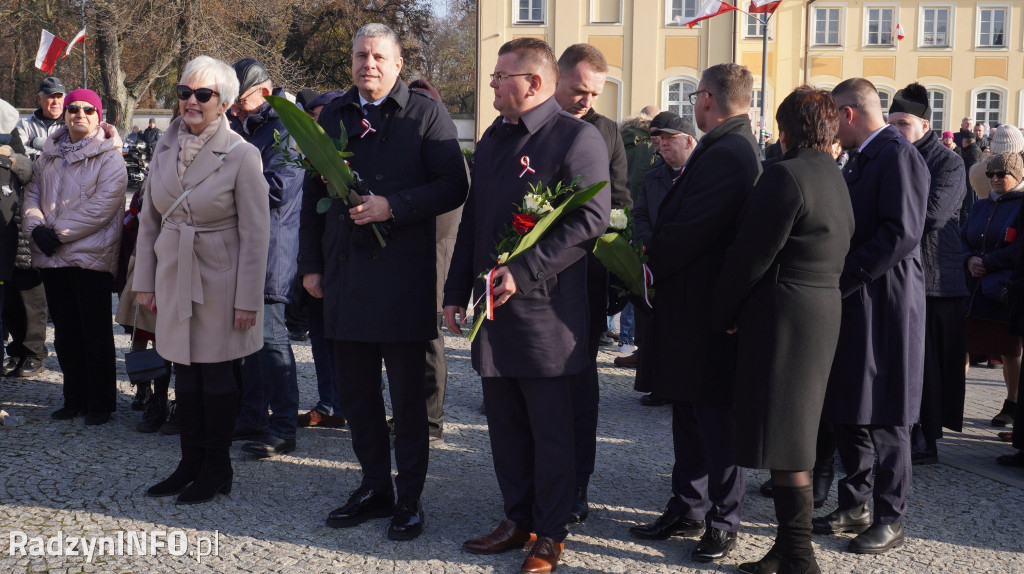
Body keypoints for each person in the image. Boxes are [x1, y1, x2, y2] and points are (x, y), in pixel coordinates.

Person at [444, 37, 609, 573]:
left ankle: (550, 532)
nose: (491, 84)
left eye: (500, 76)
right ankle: (516, 518)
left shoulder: (576, 138)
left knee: (550, 429)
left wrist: (523, 270)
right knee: (506, 424)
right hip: (494, 311)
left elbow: (590, 221)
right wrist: (453, 294)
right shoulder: (494, 137)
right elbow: (473, 221)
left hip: (546, 317)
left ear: (533, 83)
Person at [299, 23, 468, 541]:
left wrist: (394, 206)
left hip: (402, 278)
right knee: (356, 395)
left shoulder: (425, 113)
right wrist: (311, 265)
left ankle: (410, 496)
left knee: (407, 398)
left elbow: (454, 185)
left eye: (377, 56)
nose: (367, 64)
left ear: (397, 64)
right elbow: (311, 197)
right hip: (346, 275)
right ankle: (375, 486)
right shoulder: (333, 117)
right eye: (359, 56)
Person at [711, 85, 854, 574]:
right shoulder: (834, 175)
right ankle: (789, 549)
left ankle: (799, 555)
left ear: (786, 128)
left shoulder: (785, 176)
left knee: (788, 435)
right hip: (820, 310)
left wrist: (723, 312)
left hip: (784, 313)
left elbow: (750, 255)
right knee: (795, 432)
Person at [630, 63, 760, 564]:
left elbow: (693, 230)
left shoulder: (730, 151)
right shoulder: (722, 147)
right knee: (686, 410)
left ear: (706, 98)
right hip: (687, 309)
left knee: (715, 418)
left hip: (708, 310)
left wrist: (652, 256)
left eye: (694, 97)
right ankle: (687, 503)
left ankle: (723, 519)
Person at [134, 56, 270, 504]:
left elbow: (256, 234)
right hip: (174, 273)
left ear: (225, 103)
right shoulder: (163, 147)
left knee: (217, 378)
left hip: (222, 278)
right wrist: (145, 282)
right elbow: (150, 222)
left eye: (203, 94)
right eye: (184, 92)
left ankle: (217, 466)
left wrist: (248, 298)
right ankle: (189, 461)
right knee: (184, 377)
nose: (190, 101)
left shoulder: (243, 154)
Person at [812, 78, 929, 555]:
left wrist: (848, 273)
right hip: (860, 298)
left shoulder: (897, 155)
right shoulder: (864, 156)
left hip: (886, 300)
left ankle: (890, 516)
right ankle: (855, 502)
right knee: (851, 403)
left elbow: (903, 232)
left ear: (848, 114)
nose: (832, 132)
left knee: (886, 411)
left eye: (833, 120)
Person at [553, 42, 630, 524]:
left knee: (580, 390)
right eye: (580, 90)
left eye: (595, 93)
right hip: (527, 279)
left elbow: (620, 202)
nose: (587, 101)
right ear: (556, 79)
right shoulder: (525, 126)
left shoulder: (607, 133)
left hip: (584, 282)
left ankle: (578, 485)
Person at [21, 88, 126, 425]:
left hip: (90, 257)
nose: (80, 115)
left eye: (87, 110)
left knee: (94, 332)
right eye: (73, 109)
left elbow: (104, 204)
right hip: (53, 256)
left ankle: (100, 403)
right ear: (64, 114)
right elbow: (32, 194)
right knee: (65, 332)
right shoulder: (49, 155)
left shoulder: (110, 156)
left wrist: (57, 233)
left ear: (99, 116)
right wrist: (36, 227)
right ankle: (74, 397)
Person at [227, 57, 305, 459]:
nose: (235, 108)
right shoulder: (241, 125)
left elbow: (277, 189)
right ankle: (252, 415)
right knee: (247, 341)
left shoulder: (286, 128)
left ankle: (283, 425)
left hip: (271, 248)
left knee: (272, 341)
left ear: (267, 90)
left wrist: (225, 186)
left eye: (241, 100)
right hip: (242, 246)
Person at [886, 84, 969, 465]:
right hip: (903, 272)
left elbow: (933, 216)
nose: (895, 129)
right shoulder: (889, 154)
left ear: (923, 124)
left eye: (903, 123)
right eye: (891, 123)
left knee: (932, 362)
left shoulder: (948, 162)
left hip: (938, 278)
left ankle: (927, 438)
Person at [630, 111, 696, 406]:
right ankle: (658, 385)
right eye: (661, 140)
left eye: (671, 139)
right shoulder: (653, 176)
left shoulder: (700, 174)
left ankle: (681, 387)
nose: (663, 145)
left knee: (683, 331)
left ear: (689, 142)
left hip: (687, 262)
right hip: (655, 259)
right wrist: (646, 239)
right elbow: (641, 213)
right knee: (655, 327)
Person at [6, 77, 64, 379]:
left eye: (59, 97)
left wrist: (31, 151)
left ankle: (35, 352)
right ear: (39, 99)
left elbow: (29, 161)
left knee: (33, 291)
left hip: (55, 211)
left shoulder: (70, 124)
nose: (55, 102)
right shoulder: (21, 126)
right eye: (49, 97)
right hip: (20, 211)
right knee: (17, 288)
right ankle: (19, 350)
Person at [963, 152, 1024, 429]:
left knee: (1010, 351)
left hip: (1002, 291)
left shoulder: (1021, 205)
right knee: (962, 345)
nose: (995, 179)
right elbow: (962, 237)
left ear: (1018, 176)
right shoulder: (979, 206)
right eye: (991, 175)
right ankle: (954, 400)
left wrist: (986, 262)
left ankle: (1012, 403)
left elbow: (1018, 250)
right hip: (974, 289)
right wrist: (969, 259)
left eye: (1002, 175)